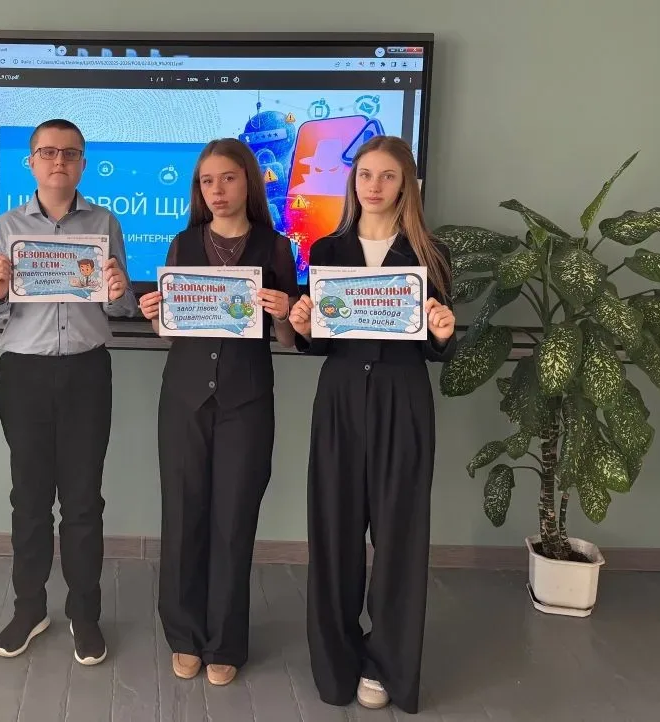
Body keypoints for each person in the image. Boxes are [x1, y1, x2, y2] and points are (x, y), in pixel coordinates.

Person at [286, 135, 456, 713]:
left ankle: (387, 665)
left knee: (399, 538)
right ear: (352, 183)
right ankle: (336, 664)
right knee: (333, 533)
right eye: (365, 175)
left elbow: (436, 347)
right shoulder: (327, 250)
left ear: (406, 184)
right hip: (339, 399)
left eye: (387, 175)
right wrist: (304, 325)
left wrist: (442, 334)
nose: (374, 186)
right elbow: (319, 341)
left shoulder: (430, 254)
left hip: (402, 398)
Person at [0, 118, 138, 665]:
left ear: (83, 163)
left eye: (69, 153)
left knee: (84, 502)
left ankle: (84, 615)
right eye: (48, 152)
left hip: (88, 372)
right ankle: (29, 609)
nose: (58, 161)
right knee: (30, 500)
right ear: (31, 162)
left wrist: (119, 291)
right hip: (24, 374)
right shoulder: (8, 226)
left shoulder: (105, 222)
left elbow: (120, 307)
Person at [138, 138, 299, 686]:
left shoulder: (275, 248)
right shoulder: (183, 243)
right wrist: (155, 313)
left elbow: (287, 339)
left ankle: (226, 641)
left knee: (234, 522)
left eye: (228, 178)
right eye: (207, 181)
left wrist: (284, 313)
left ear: (248, 181)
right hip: (184, 400)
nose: (217, 190)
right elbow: (170, 331)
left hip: (246, 404)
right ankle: (184, 636)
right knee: (183, 518)